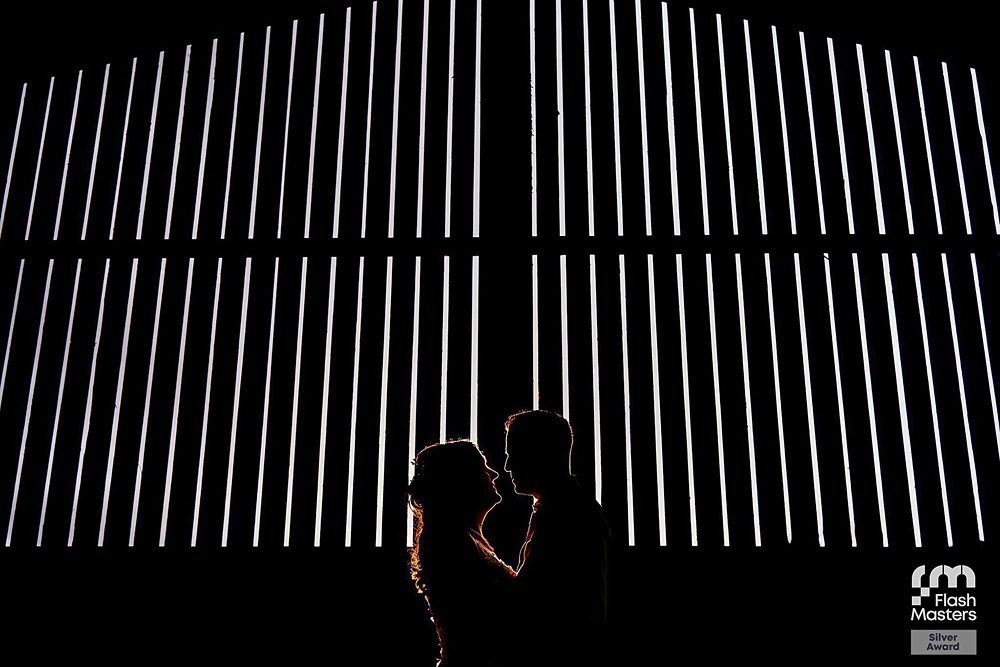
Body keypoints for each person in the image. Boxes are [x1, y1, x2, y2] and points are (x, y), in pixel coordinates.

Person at [503, 409, 611, 665]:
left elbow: (539, 599)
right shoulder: (567, 507)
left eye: (515, 455)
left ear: (543, 454)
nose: (508, 467)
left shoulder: (567, 515)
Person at [408, 440, 517, 667]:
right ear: (459, 479)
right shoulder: (448, 540)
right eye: (482, 467)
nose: (494, 474)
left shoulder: (466, 538)